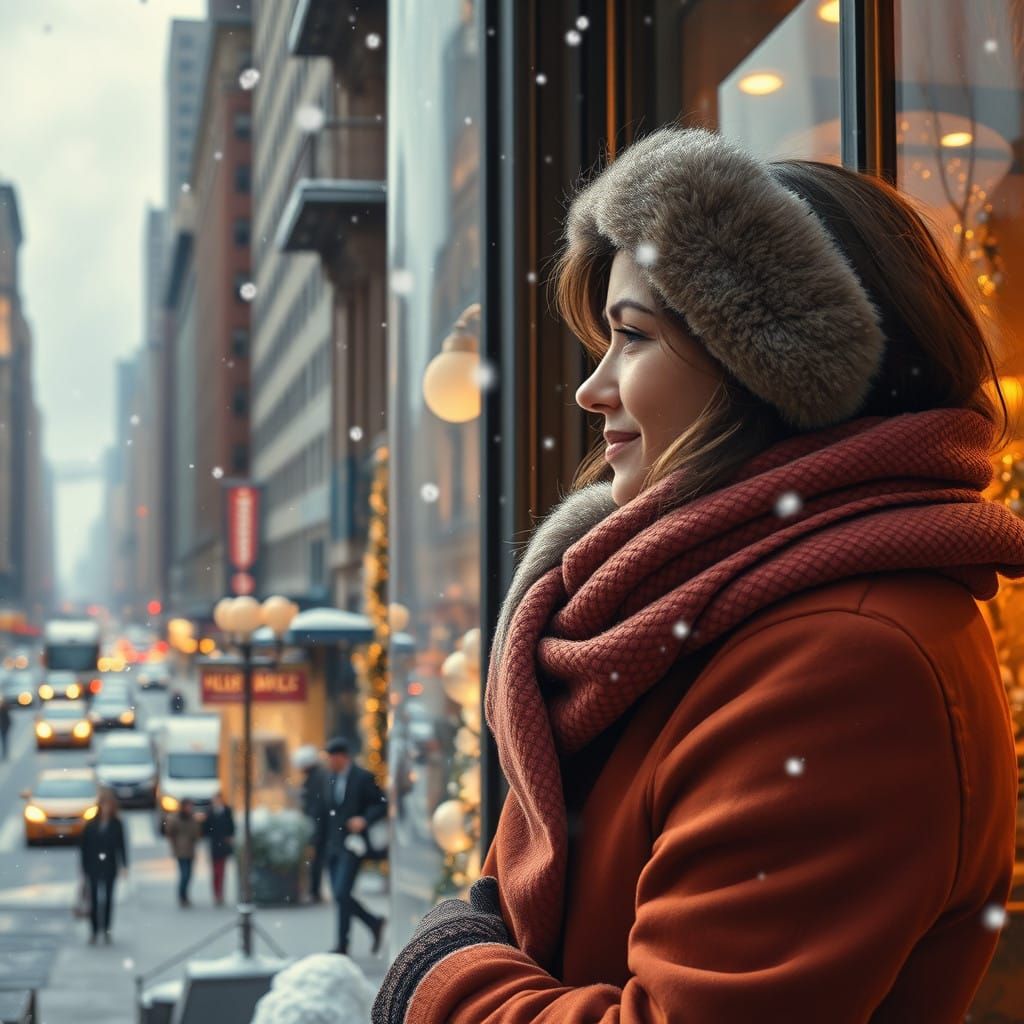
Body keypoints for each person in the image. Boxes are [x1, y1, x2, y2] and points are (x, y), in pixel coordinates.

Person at [372, 127, 1024, 1023]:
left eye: (630, 337)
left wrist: (442, 979)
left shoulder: (849, 663)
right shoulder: (692, 614)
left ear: (769, 366)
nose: (590, 389)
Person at [321, 736, 386, 955]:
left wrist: (364, 819)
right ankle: (369, 925)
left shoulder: (363, 778)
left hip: (353, 845)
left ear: (342, 757)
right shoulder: (329, 778)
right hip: (333, 846)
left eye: (332, 757)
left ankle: (343, 943)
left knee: (341, 893)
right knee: (341, 896)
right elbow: (327, 813)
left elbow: (381, 804)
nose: (329, 762)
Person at [80, 789, 128, 944]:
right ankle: (94, 931)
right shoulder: (91, 824)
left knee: (108, 899)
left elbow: (122, 845)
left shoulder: (117, 824)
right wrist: (84, 868)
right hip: (93, 867)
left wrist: (124, 865)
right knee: (93, 900)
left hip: (110, 866)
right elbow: (84, 847)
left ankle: (106, 929)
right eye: (104, 804)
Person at [292, 743, 328, 902]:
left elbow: (316, 806)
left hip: (317, 826)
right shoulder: (317, 777)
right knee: (315, 861)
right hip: (318, 825)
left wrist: (314, 832)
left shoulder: (316, 779)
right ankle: (314, 891)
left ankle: (314, 891)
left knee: (315, 861)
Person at [165, 798, 203, 907]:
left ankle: (185, 895)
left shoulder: (192, 819)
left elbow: (197, 834)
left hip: (190, 850)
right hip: (181, 851)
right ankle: (182, 896)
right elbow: (169, 832)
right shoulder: (176, 819)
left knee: (189, 874)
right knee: (184, 874)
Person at [203, 791, 235, 906]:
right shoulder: (210, 812)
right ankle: (216, 893)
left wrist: (230, 837)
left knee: (221, 870)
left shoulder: (226, 811)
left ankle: (220, 893)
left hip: (223, 844)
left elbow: (231, 826)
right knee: (215, 871)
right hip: (214, 844)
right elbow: (206, 829)